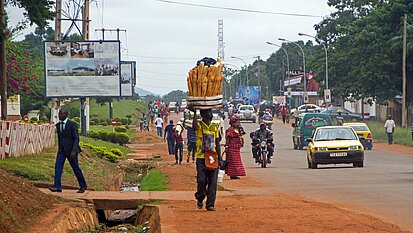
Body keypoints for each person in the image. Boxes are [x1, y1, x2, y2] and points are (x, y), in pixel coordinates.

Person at [49, 109, 87, 193]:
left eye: (61, 114)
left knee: (75, 168)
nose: (60, 116)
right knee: (58, 167)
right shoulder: (58, 125)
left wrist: (74, 151)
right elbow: (60, 138)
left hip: (71, 151)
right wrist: (59, 149)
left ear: (66, 115)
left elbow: (76, 138)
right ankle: (57, 186)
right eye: (59, 114)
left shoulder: (72, 124)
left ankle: (83, 185)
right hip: (62, 150)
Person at [192, 108, 221, 211]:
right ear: (203, 115)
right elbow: (194, 126)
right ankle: (200, 197)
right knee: (201, 180)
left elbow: (217, 143)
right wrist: (195, 112)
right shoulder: (199, 125)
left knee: (213, 182)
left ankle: (210, 204)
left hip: (212, 157)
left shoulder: (214, 126)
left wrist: (220, 157)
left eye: (211, 112)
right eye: (209, 113)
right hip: (201, 158)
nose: (211, 114)